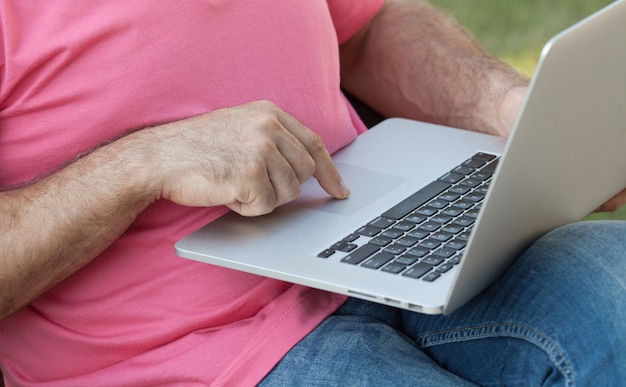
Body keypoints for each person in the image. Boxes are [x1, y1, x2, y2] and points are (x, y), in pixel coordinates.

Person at [0, 1, 624, 385]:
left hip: (371, 233)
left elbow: (365, 28)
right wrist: (142, 162)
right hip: (188, 353)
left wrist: (504, 108)